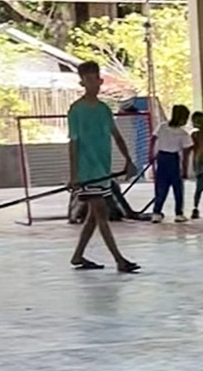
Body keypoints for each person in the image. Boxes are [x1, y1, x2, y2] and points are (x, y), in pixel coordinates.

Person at [67, 61, 139, 273]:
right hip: (86, 172)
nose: (93, 83)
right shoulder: (76, 111)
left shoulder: (104, 109)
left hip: (102, 171)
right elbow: (73, 143)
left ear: (100, 80)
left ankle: (78, 256)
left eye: (95, 79)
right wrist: (74, 175)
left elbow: (116, 136)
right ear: (82, 82)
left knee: (93, 216)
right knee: (101, 213)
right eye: (87, 79)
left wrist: (128, 160)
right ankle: (119, 260)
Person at [150, 104, 194, 223]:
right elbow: (186, 154)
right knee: (177, 188)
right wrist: (184, 170)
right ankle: (179, 213)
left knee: (161, 187)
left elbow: (153, 139)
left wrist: (151, 154)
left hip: (161, 157)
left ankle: (156, 213)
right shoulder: (183, 134)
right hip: (173, 159)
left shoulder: (162, 127)